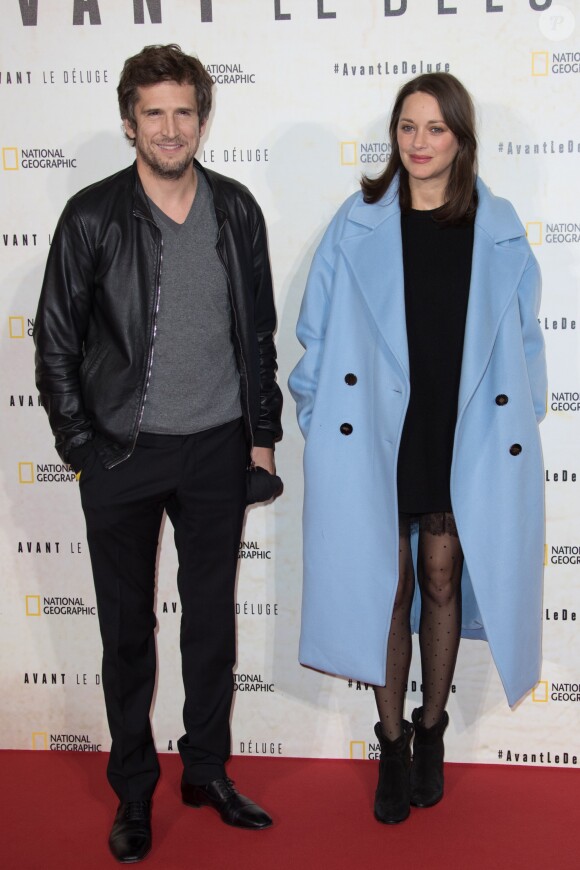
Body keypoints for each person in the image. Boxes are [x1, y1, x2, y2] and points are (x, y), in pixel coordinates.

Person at [34, 44, 282, 863]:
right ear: (129, 121)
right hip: (121, 456)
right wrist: (83, 447)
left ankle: (205, 771)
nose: (170, 128)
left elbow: (259, 337)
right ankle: (134, 792)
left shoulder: (237, 210)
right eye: (154, 113)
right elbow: (57, 344)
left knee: (210, 627)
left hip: (216, 449)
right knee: (126, 634)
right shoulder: (92, 215)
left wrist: (262, 439)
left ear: (203, 118)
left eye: (184, 111)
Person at [289, 72, 546, 825]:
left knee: (441, 580)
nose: (420, 143)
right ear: (394, 136)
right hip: (376, 431)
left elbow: (525, 343)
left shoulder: (496, 227)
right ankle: (391, 741)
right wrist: (318, 413)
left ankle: (432, 728)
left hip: (458, 427)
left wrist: (516, 424)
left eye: (436, 128)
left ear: (461, 139)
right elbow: (315, 329)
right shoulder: (359, 219)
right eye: (408, 127)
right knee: (387, 586)